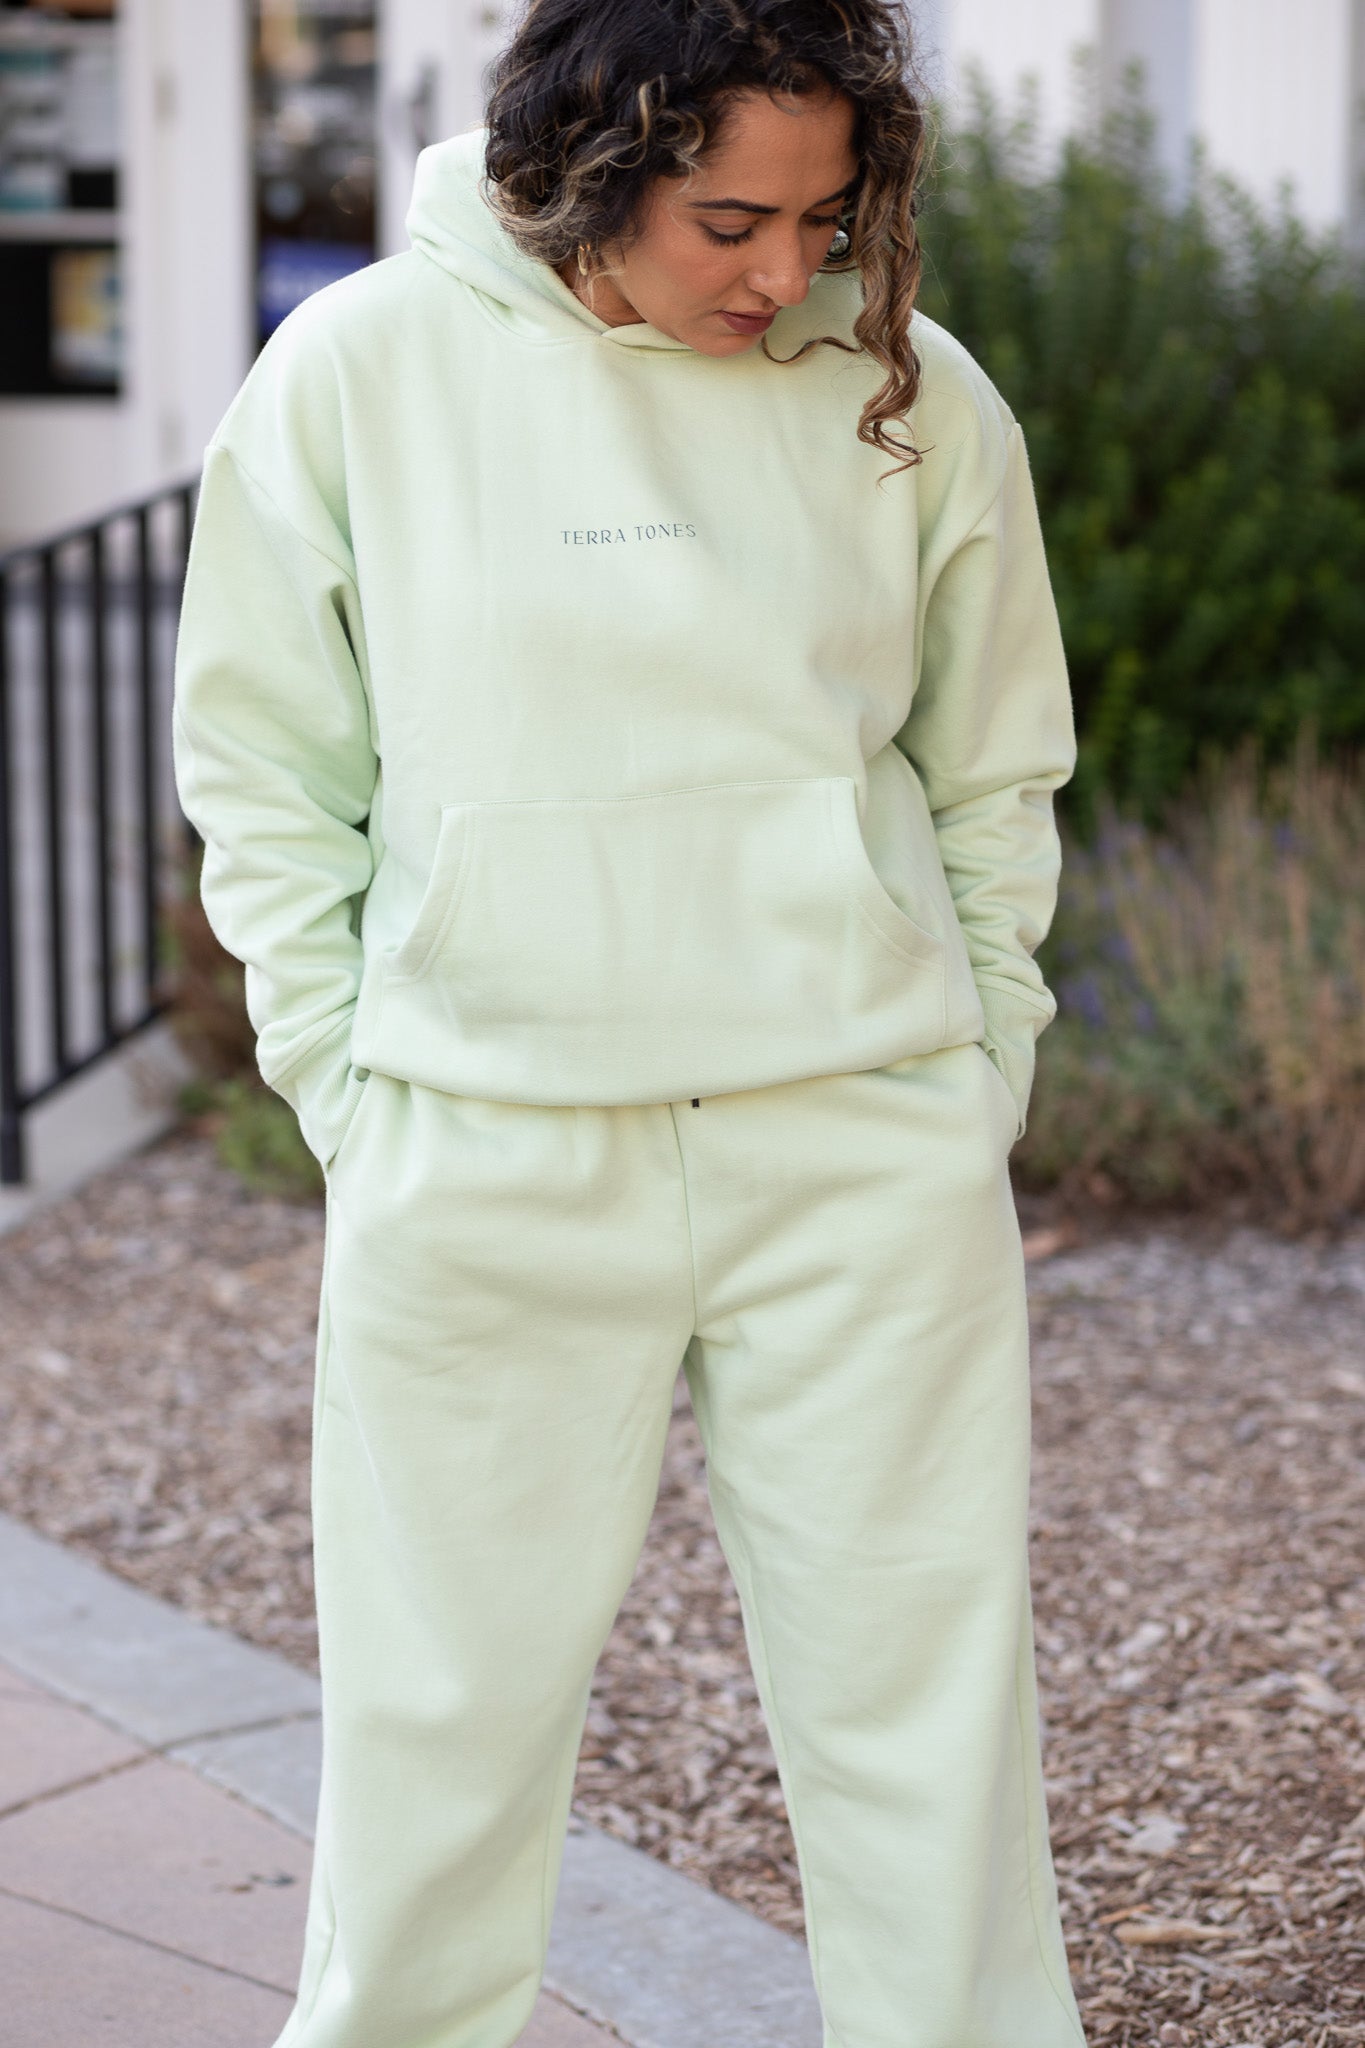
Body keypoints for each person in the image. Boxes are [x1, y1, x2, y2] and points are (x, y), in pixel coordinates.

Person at [172, 3, 1088, 2044]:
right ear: (580, 172)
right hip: (486, 1150)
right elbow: (264, 770)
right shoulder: (358, 371)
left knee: (923, 1710)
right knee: (439, 1726)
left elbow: (991, 768)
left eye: (822, 219)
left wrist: (973, 1070)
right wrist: (349, 1085)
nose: (783, 272)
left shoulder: (908, 389)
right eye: (726, 222)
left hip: (857, 1148)